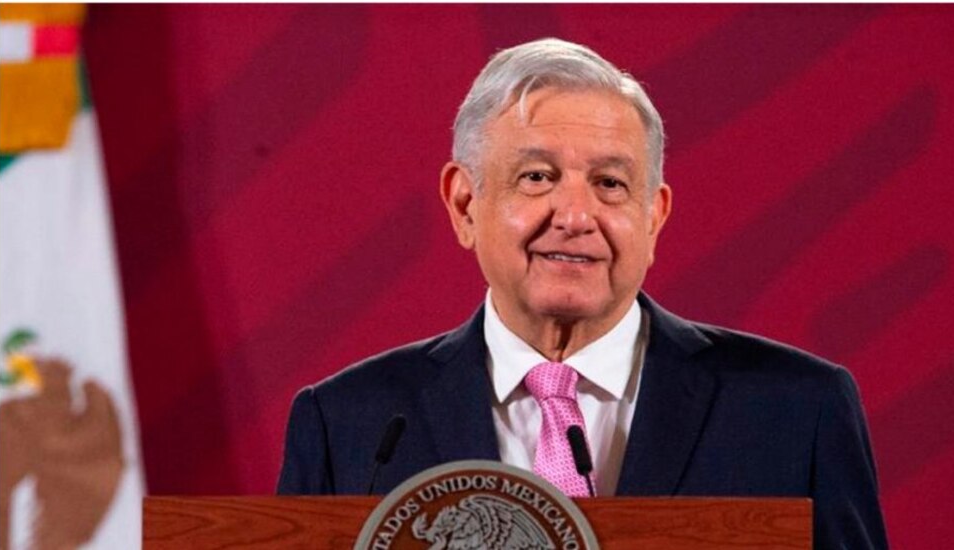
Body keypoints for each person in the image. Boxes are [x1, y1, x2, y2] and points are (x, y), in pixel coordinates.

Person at [278, 37, 888, 548]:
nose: (575, 214)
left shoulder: (797, 410)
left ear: (654, 217)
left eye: (610, 183)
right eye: (537, 177)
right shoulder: (348, 424)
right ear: (465, 204)